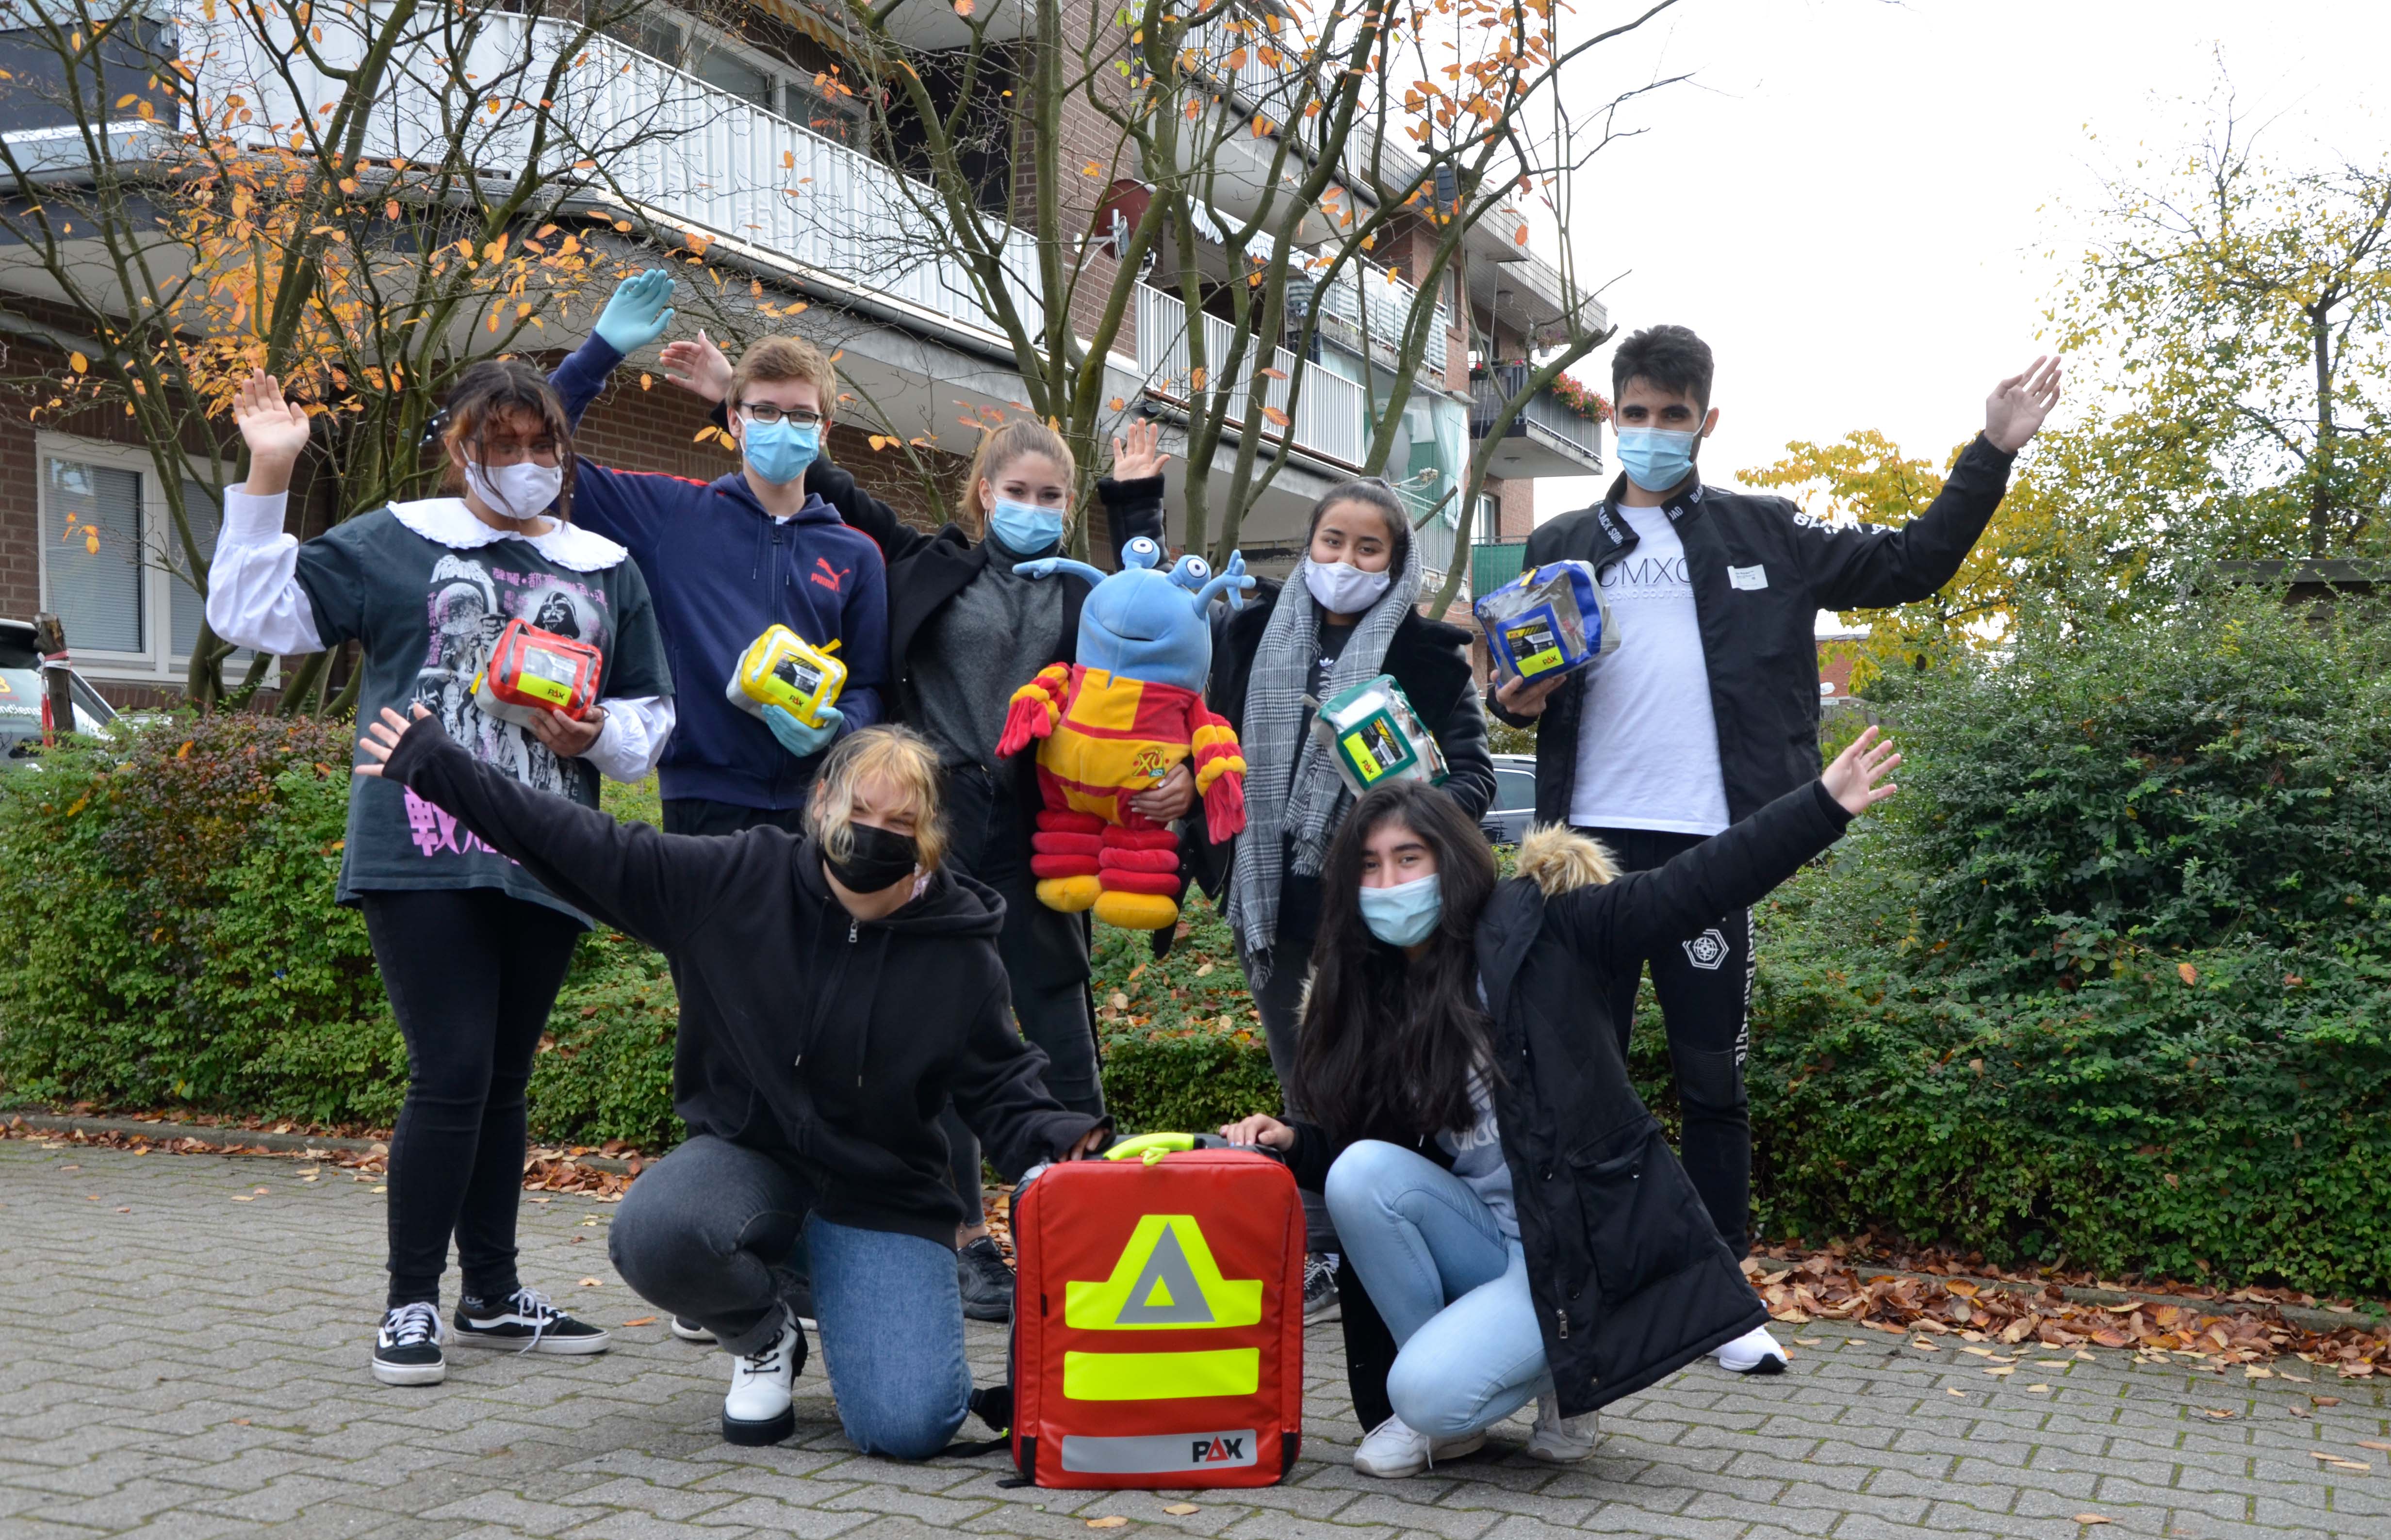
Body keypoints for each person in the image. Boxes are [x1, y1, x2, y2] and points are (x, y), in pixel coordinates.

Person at [1489, 325, 2062, 1374]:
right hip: (1583, 856)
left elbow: (1911, 563)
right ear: (1613, 416)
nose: (1652, 431)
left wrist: (1991, 450)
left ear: (1706, 422)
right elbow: (1516, 686)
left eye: (1672, 415)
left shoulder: (1767, 530)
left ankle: (1721, 1304)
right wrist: (1513, 699)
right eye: (1635, 413)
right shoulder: (1560, 540)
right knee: (1580, 1081)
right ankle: (1591, 1290)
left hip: (1716, 849)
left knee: (1711, 1077)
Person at [353, 713, 1109, 1456]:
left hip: (881, 1197)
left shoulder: (960, 952)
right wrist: (444, 770)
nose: (874, 834)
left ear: (931, 838)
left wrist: (1069, 1142)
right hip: (750, 1165)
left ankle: (858, 1292)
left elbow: (1001, 1087)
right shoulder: (736, 880)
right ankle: (763, 1336)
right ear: (821, 806)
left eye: (900, 822)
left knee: (909, 1429)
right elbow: (584, 845)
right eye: (859, 811)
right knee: (656, 1231)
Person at [648, 312, 1175, 1323]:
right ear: (982, 494)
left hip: (1037, 831)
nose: (1032, 508)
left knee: (1055, 1025)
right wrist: (728, 397)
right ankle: (967, 1241)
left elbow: (1158, 632)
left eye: (1051, 496)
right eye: (1017, 491)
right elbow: (830, 482)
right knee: (938, 1032)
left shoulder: (1090, 599)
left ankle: (1086, 1221)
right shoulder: (927, 563)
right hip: (932, 826)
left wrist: (1137, 502)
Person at [1221, 728, 1903, 1477]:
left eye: (1408, 859)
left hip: (1575, 1248)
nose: (1390, 882)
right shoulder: (1372, 991)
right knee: (1359, 1175)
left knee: (1422, 1390)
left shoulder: (1545, 930)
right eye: (1370, 865)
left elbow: (1695, 885)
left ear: (1449, 860)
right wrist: (1293, 1140)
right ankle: (1445, 1422)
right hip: (1484, 1238)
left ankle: (1558, 1373)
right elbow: (1372, 1144)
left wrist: (1821, 807)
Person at [208, 365, 677, 1388]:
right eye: (501, 444)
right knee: (452, 1070)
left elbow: (649, 720)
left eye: (542, 445)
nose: (525, 463)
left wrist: (594, 730)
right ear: (460, 448)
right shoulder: (395, 541)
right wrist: (270, 471)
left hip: (549, 850)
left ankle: (492, 1293)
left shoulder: (606, 567)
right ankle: (411, 1298)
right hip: (419, 848)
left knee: (503, 1081)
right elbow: (253, 614)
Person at [1117, 477, 1494, 1323]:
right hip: (1268, 905)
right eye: (1332, 542)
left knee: (1379, 1080)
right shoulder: (1246, 631)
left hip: (1376, 914)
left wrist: (1408, 795)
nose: (1345, 561)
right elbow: (1189, 726)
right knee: (1307, 1083)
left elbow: (1472, 780)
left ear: (1396, 562)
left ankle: (1381, 1240)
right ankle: (1322, 1249)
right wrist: (1181, 779)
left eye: (1369, 548)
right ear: (1309, 545)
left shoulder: (1430, 657)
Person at [545, 271, 890, 836]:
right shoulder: (671, 515)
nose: (783, 426)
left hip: (818, 807)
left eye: (801, 415)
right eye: (765, 412)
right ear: (734, 420)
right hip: (702, 803)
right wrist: (596, 356)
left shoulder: (857, 554)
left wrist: (839, 730)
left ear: (824, 431)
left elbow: (870, 685)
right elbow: (540, 463)